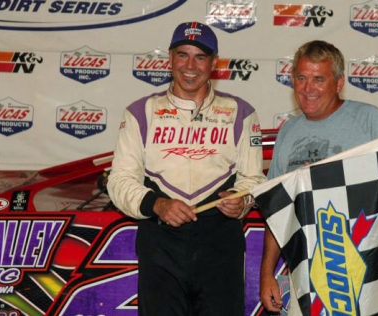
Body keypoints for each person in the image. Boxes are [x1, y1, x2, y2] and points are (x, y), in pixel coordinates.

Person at [107, 21, 266, 316]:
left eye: (200, 57)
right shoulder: (141, 112)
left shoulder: (241, 113)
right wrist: (157, 204)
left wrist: (242, 200)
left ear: (214, 63)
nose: (190, 65)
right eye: (183, 55)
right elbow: (119, 180)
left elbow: (254, 178)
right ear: (170, 58)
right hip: (161, 242)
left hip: (220, 243)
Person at [259, 40, 378, 315]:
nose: (308, 88)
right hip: (304, 273)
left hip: (362, 272)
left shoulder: (369, 121)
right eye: (301, 78)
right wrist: (266, 274)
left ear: (338, 82)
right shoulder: (288, 132)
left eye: (318, 79)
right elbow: (277, 210)